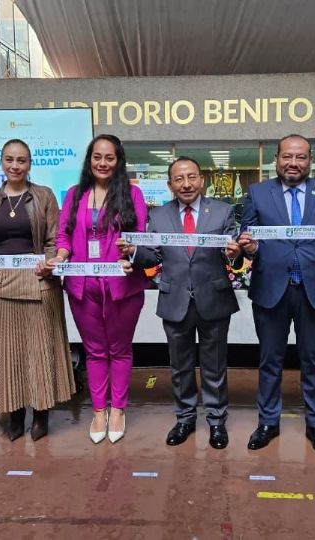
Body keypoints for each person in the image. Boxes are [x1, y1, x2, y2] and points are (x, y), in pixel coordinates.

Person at [237, 134, 315, 456]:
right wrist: (250, 246)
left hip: (313, 290)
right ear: (276, 159)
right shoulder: (258, 193)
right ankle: (268, 422)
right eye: (287, 157)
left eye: (301, 157)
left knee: (314, 361)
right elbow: (247, 234)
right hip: (271, 290)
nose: (293, 163)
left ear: (311, 160)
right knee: (269, 361)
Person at [118, 156, 243, 449]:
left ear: (202, 180)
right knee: (180, 365)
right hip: (175, 299)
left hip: (213, 297)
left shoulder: (222, 212)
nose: (186, 184)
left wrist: (234, 252)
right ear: (170, 184)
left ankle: (216, 420)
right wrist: (136, 251)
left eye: (191, 177)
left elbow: (230, 254)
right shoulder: (159, 216)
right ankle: (185, 418)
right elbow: (153, 256)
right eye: (179, 179)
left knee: (214, 365)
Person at [43, 134, 149, 444]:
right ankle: (99, 410)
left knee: (119, 350)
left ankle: (118, 409)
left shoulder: (133, 194)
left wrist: (129, 251)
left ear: (118, 162)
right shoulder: (75, 195)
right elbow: (63, 236)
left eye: (109, 157)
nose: (103, 163)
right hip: (81, 284)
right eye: (97, 157)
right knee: (95, 351)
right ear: (90, 160)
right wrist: (61, 256)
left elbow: (138, 234)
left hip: (121, 284)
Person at [0, 139, 75, 441]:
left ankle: (41, 416)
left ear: (30, 164)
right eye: (10, 160)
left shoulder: (43, 196)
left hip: (39, 283)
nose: (15, 166)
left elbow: (55, 239)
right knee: (6, 355)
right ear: (1, 162)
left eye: (22, 161)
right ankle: (14, 415)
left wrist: (50, 261)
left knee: (39, 353)